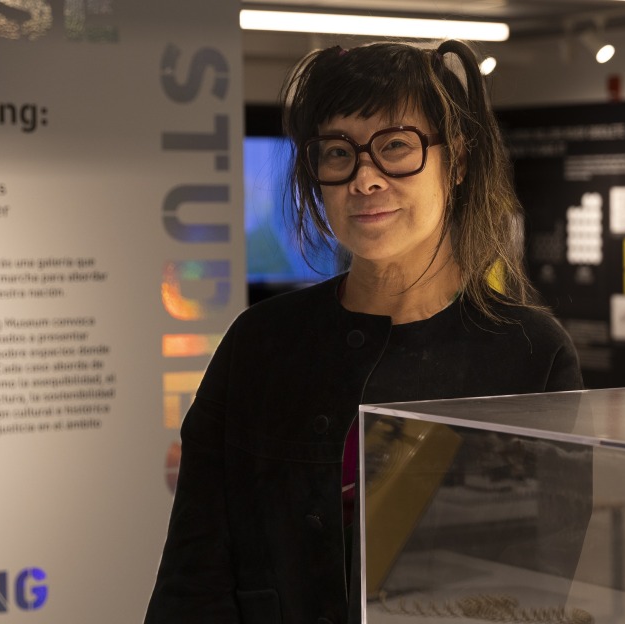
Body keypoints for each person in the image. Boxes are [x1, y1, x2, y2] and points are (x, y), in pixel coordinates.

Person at [145, 40, 584, 623]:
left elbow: (541, 578)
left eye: (396, 146)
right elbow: (193, 567)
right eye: (337, 153)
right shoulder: (262, 342)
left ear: (455, 161)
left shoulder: (530, 350)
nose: (365, 178)